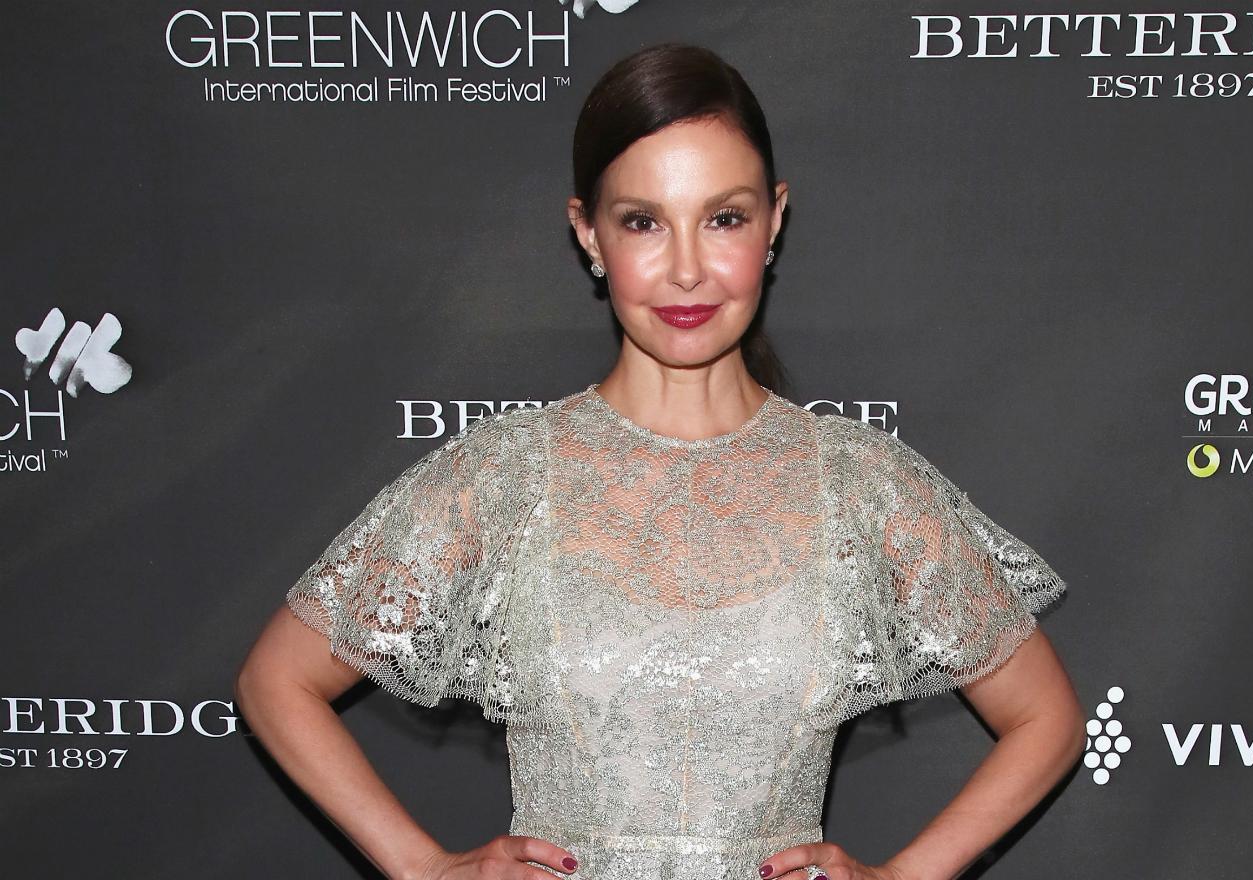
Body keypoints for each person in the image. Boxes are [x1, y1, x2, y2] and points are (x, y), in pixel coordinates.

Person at [234, 42, 1085, 880]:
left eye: (725, 218)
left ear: (774, 221)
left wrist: (903, 876)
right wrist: (422, 867)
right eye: (643, 221)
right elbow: (280, 680)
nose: (687, 269)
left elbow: (1044, 716)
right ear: (589, 234)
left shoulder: (860, 482)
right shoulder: (505, 476)